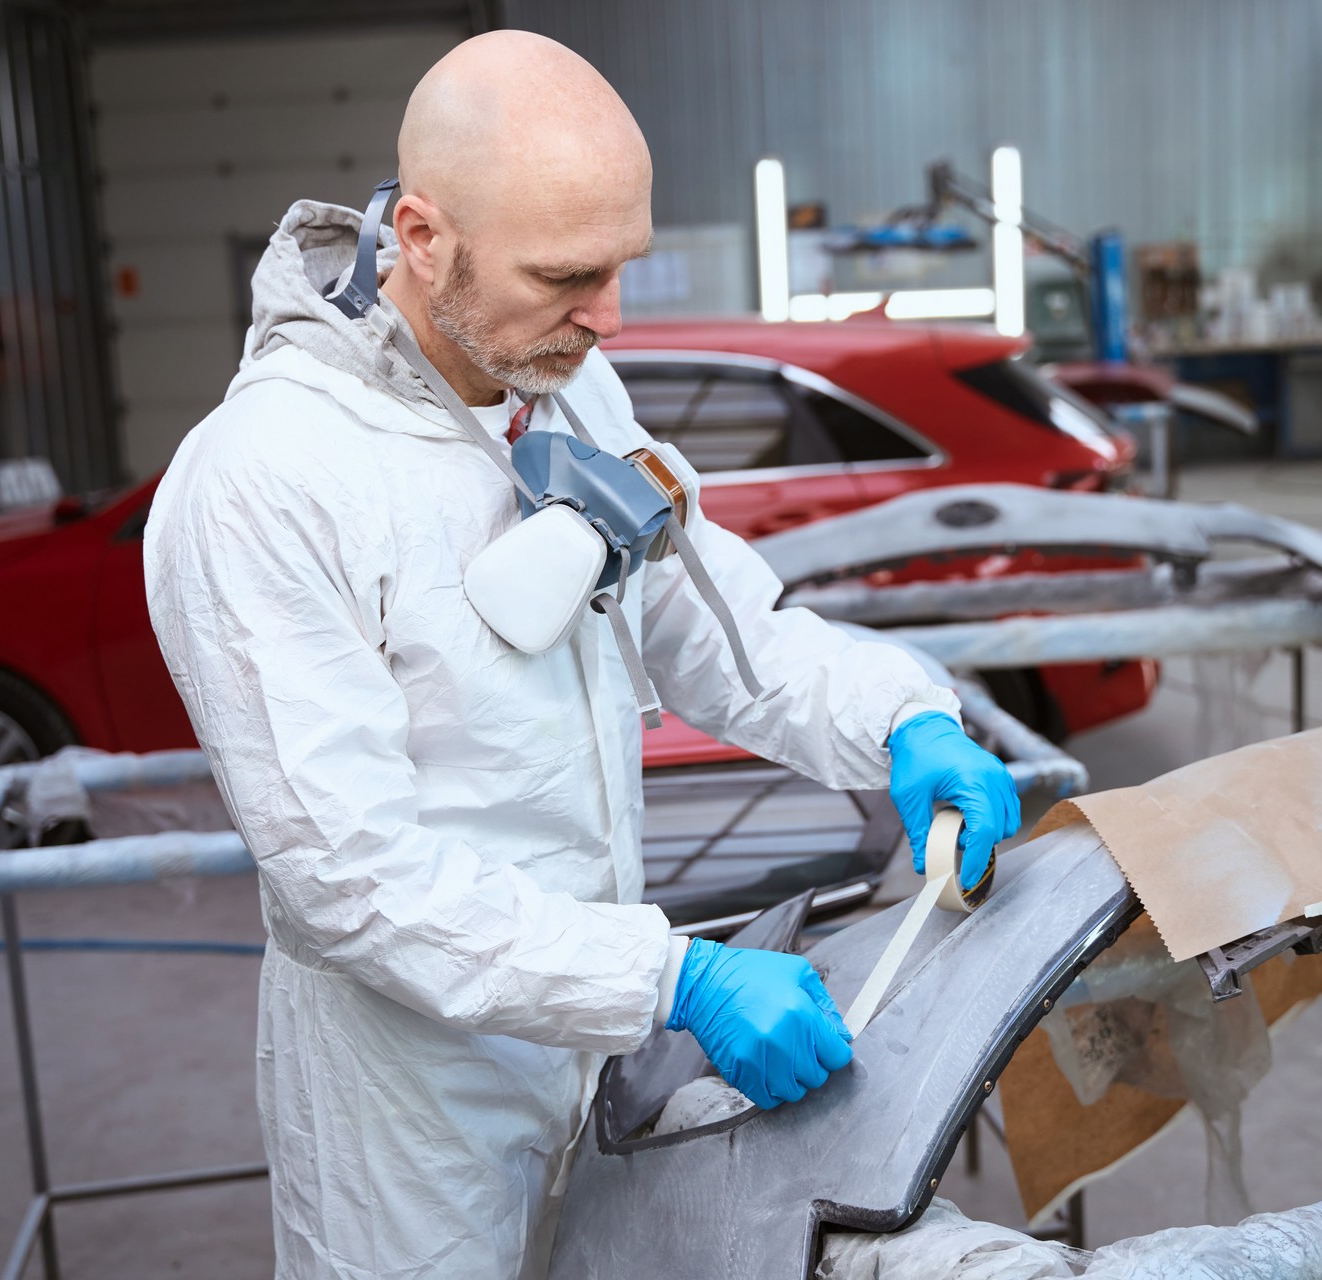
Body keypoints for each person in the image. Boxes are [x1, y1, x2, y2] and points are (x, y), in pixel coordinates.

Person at [144, 30, 1018, 1280]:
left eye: (622, 268)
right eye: (567, 275)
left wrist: (902, 723)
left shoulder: (560, 387)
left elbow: (730, 636)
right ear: (424, 238)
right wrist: (671, 978)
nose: (608, 320)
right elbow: (350, 877)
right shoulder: (266, 481)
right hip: (413, 1106)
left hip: (598, 1034)